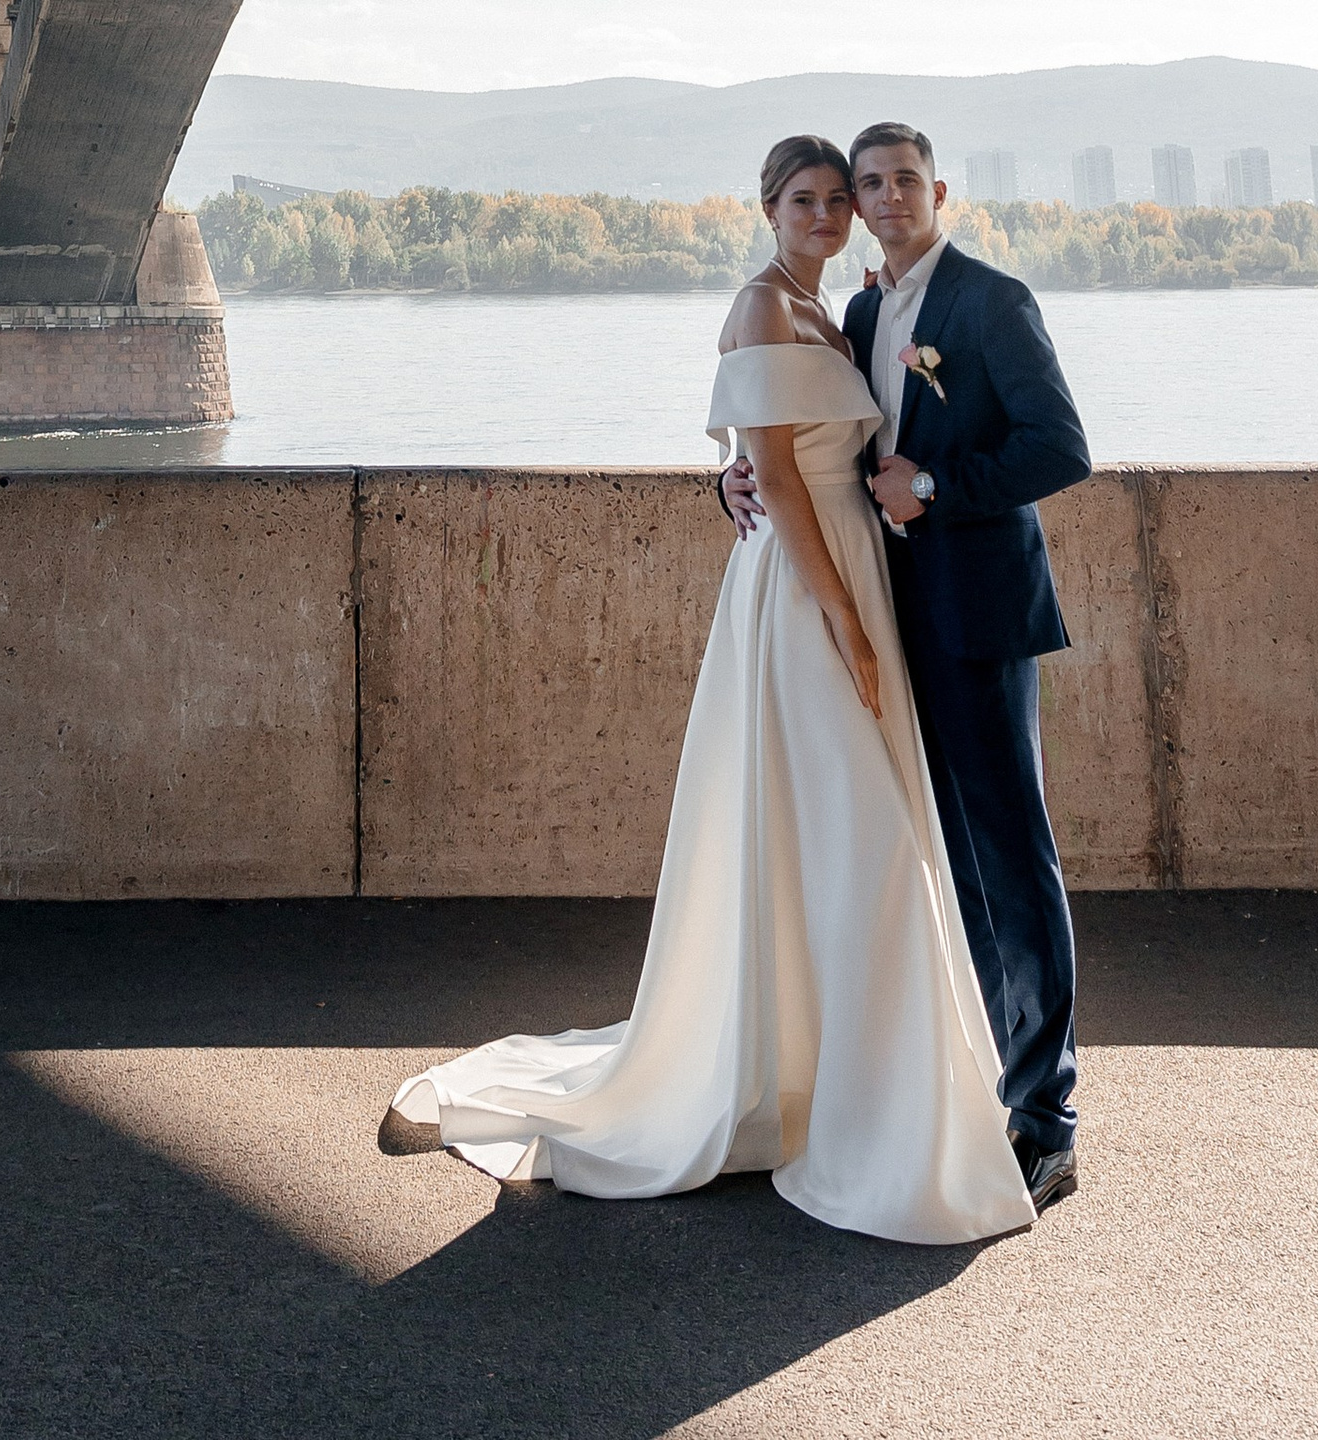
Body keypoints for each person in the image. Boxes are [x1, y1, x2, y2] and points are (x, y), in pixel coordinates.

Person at [384, 137, 1032, 1245]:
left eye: (846, 196)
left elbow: (774, 454)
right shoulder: (766, 307)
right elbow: (774, 474)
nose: (832, 213)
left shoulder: (844, 309)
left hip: (849, 575)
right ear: (768, 209)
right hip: (806, 597)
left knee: (824, 833)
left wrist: (757, 487)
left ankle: (842, 1077)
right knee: (856, 835)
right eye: (809, 199)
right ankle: (872, 1105)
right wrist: (842, 623)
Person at [721, 120, 1091, 1210]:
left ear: (940, 192)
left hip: (975, 615)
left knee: (1012, 858)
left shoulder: (990, 300)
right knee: (939, 855)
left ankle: (1047, 1113)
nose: (874, 201)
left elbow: (1058, 446)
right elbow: (797, 451)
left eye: (894, 183)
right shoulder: (863, 312)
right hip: (883, 614)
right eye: (857, 186)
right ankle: (981, 1076)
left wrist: (931, 489)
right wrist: (732, 483)